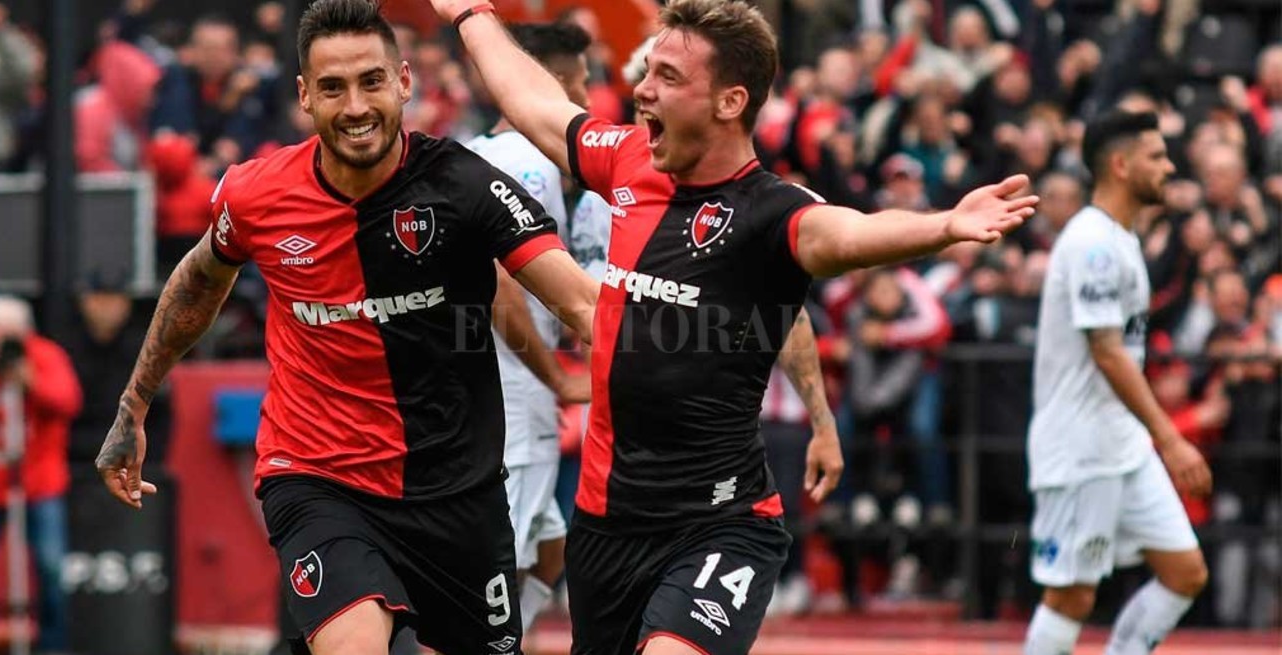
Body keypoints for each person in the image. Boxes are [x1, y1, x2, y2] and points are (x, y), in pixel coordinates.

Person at [432, 1, 1037, 653]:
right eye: (648, 71)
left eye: (667, 76)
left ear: (730, 101)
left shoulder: (772, 214)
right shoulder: (629, 160)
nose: (642, 89)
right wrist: (471, 13)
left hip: (719, 523)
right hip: (606, 523)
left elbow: (851, 233)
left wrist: (944, 225)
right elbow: (534, 103)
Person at [93, 2, 598, 654]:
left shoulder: (468, 185)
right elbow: (197, 282)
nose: (356, 107)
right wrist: (133, 403)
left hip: (458, 489)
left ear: (404, 82)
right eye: (333, 87)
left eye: (371, 81)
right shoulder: (256, 194)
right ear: (305, 96)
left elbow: (582, 304)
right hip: (320, 477)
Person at [1023, 110, 1211, 655]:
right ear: (1121, 165)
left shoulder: (1121, 238)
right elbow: (1106, 351)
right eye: (1157, 156)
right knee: (1071, 596)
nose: (1169, 166)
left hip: (1121, 444)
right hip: (1080, 447)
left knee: (1185, 572)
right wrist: (1170, 438)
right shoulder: (1093, 244)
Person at [465, 20, 599, 635]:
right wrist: (558, 380)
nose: (588, 99)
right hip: (513, 390)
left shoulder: (474, 152)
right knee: (501, 570)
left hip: (483, 383)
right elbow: (500, 283)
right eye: (581, 83)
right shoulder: (531, 162)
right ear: (552, 83)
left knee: (549, 545)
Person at [0, 295, 83, 654]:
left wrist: (30, 381)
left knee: (52, 568)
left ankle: (53, 647)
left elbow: (68, 401)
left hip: (39, 482)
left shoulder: (46, 356)